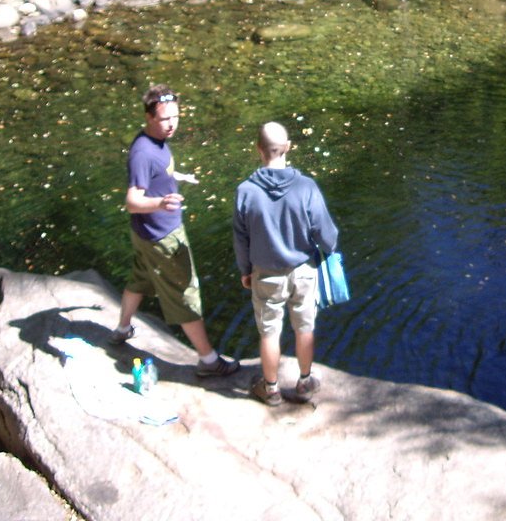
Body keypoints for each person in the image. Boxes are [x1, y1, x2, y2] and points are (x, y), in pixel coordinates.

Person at [109, 84, 240, 379]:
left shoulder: (153, 141)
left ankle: (121, 328)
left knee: (140, 277)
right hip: (162, 237)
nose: (172, 124)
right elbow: (132, 202)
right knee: (185, 293)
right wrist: (161, 202)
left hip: (146, 235)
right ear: (149, 117)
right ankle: (208, 360)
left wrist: (174, 175)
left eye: (176, 117)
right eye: (165, 119)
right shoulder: (143, 152)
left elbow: (156, 173)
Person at [233, 121, 338, 405]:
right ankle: (305, 382)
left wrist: (245, 271)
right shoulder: (306, 187)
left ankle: (270, 389)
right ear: (289, 148)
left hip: (265, 274)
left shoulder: (246, 191)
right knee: (304, 326)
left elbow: (240, 239)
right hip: (304, 271)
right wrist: (329, 250)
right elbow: (326, 233)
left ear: (258, 150)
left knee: (269, 332)